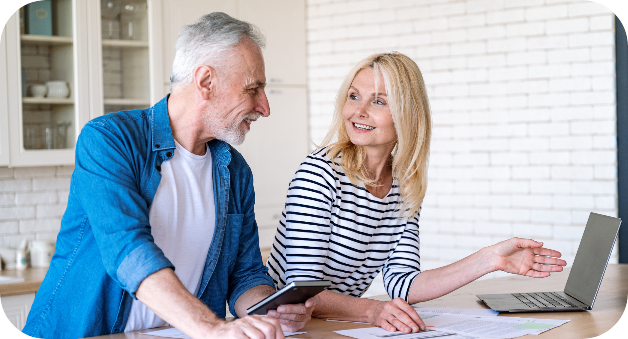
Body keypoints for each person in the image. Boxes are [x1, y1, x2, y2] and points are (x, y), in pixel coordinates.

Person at [23, 13, 314, 339]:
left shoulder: (235, 170)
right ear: (206, 82)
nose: (264, 107)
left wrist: (272, 309)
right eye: (253, 88)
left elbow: (245, 274)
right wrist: (211, 329)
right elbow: (128, 252)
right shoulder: (110, 140)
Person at [265, 52, 567, 334]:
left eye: (378, 102)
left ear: (406, 114)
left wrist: (490, 260)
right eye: (353, 96)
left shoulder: (404, 185)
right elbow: (300, 288)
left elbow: (403, 283)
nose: (358, 111)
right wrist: (372, 311)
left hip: (331, 327)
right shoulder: (321, 173)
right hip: (278, 329)